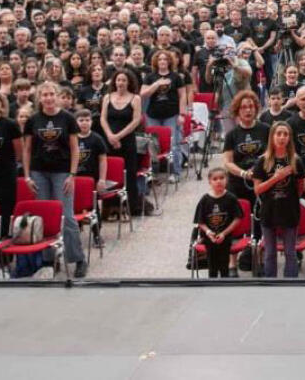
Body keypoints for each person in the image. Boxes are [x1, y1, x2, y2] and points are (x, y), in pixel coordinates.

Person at [23, 82, 87, 278]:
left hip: (62, 172)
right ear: (40, 98)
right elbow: (26, 150)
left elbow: (76, 148)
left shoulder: (67, 118)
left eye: (52, 94)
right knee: (45, 218)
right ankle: (50, 259)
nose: (49, 98)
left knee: (67, 217)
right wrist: (26, 176)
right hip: (39, 172)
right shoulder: (33, 120)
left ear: (58, 96)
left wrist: (72, 175)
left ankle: (77, 259)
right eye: (45, 95)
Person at [253, 122, 305, 278]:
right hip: (269, 210)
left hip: (289, 210)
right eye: (279, 134)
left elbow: (300, 187)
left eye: (285, 134)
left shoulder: (296, 160)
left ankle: (291, 285)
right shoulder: (262, 161)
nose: (282, 137)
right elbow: (257, 189)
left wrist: (288, 198)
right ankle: (271, 286)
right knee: (270, 253)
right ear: (272, 137)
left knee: (290, 252)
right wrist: (276, 178)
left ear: (289, 138)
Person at [100, 69, 143, 216]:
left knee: (129, 173)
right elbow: (103, 119)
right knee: (110, 173)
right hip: (109, 140)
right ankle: (110, 207)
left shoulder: (135, 98)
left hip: (127, 140)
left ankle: (130, 206)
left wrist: (118, 136)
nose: (121, 83)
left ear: (129, 82)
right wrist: (110, 136)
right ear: (114, 82)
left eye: (124, 80)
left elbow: (136, 120)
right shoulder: (107, 97)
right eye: (118, 80)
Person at [140, 50, 186, 184]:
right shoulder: (150, 77)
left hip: (171, 114)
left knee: (174, 143)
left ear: (169, 62)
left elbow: (183, 96)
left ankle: (175, 172)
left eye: (165, 59)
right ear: (156, 62)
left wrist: (182, 114)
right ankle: (154, 173)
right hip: (153, 115)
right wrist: (156, 84)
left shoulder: (176, 77)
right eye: (160, 59)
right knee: (153, 145)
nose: (162, 62)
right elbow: (142, 94)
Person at [193, 167, 243, 279]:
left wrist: (224, 233)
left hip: (225, 238)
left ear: (227, 180)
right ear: (210, 182)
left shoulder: (231, 198)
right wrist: (208, 232)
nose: (219, 181)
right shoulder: (205, 200)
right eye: (215, 179)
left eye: (222, 178)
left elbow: (237, 218)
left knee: (224, 268)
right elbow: (200, 221)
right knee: (212, 268)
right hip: (209, 239)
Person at [74, 109, 108, 249]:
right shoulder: (72, 138)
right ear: (76, 122)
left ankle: (96, 234)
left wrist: (102, 179)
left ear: (92, 122)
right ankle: (75, 235)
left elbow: (102, 160)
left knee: (94, 209)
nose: (84, 123)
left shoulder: (97, 139)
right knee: (74, 207)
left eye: (87, 120)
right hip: (75, 179)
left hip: (92, 179)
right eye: (81, 120)